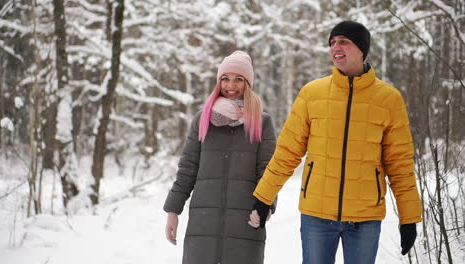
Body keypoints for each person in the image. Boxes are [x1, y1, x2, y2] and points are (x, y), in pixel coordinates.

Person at [248, 21, 422, 264]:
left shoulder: (388, 100)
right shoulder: (312, 94)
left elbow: (400, 164)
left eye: (344, 42)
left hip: (365, 217)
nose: (335, 47)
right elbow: (287, 152)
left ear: (361, 49)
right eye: (332, 42)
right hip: (317, 214)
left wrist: (409, 218)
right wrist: (264, 197)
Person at [163, 50, 276, 264]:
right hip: (203, 224)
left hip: (245, 222)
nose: (230, 86)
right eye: (225, 78)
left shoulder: (262, 123)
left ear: (248, 83)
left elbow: (268, 171)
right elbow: (188, 168)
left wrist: (266, 204)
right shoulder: (202, 119)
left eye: (238, 79)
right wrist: (173, 210)